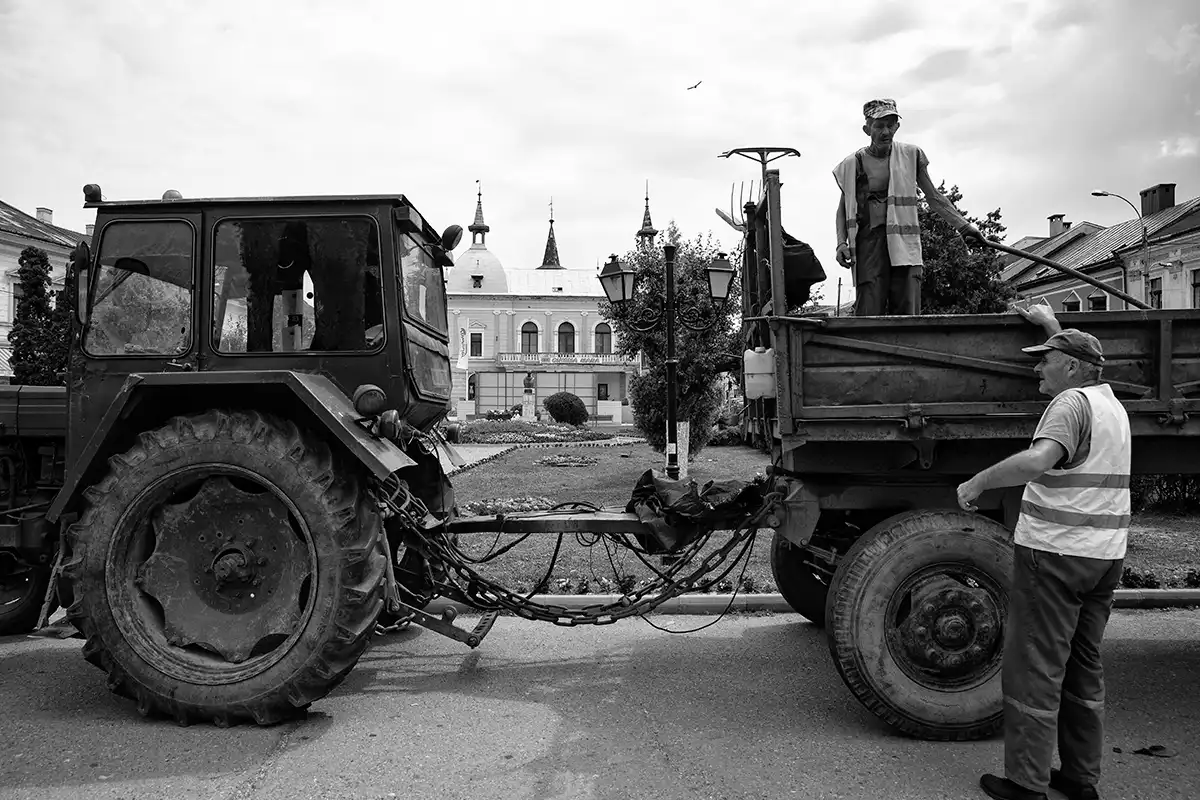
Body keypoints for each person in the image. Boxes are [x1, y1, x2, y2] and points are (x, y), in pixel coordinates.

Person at [956, 301, 1128, 800]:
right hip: (1103, 557)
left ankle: (1026, 784)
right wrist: (1052, 326)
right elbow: (1079, 352)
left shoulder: (1069, 405)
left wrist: (977, 482)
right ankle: (1080, 778)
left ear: (1071, 368)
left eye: (1045, 360)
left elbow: (1038, 460)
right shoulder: (1110, 405)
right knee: (1083, 666)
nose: (1036, 368)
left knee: (1035, 665)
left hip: (1057, 556)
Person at [833, 98, 985, 316]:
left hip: (905, 243)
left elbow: (934, 197)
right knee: (868, 312)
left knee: (908, 312)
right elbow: (843, 208)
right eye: (879, 126)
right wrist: (841, 243)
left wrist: (964, 227)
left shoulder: (911, 155)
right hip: (870, 244)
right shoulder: (852, 164)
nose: (886, 132)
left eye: (890, 125)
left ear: (897, 126)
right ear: (867, 129)